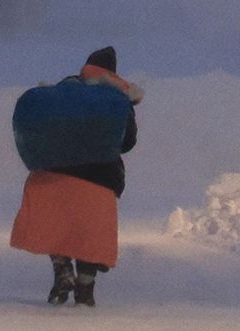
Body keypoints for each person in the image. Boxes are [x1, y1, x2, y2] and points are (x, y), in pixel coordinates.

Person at [8, 46, 144, 307]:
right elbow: (127, 141)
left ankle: (62, 270)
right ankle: (85, 287)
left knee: (55, 225)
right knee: (89, 233)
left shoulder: (63, 91)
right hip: (99, 178)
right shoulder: (116, 99)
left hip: (53, 173)